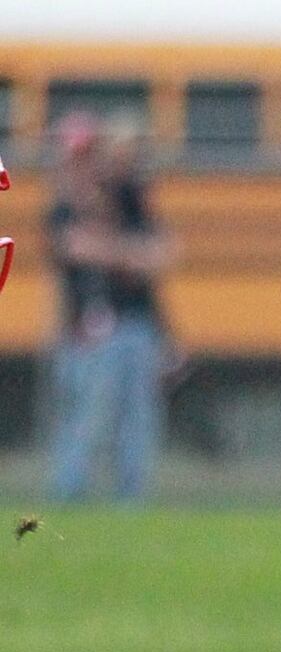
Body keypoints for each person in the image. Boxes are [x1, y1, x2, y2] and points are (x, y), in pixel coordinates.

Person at [46, 111, 174, 503]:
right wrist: (129, 254)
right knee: (84, 419)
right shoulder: (64, 210)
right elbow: (74, 247)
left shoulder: (127, 201)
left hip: (134, 324)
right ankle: (69, 496)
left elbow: (163, 255)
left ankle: (128, 500)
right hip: (84, 330)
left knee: (134, 420)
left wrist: (114, 251)